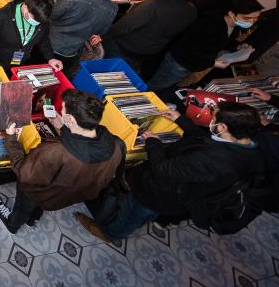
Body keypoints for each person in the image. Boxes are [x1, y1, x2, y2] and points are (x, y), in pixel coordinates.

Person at [77, 102, 264, 241]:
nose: (211, 120)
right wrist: (182, 120)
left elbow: (162, 170)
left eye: (214, 118)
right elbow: (205, 140)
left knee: (133, 214)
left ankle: (111, 233)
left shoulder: (213, 161)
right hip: (179, 193)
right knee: (139, 212)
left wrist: (154, 143)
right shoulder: (247, 147)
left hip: (159, 194)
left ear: (223, 127)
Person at [0, 89, 124, 233]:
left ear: (71, 119)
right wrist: (62, 127)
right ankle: (32, 219)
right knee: (39, 206)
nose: (60, 110)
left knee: (24, 206)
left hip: (37, 192)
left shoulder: (55, 151)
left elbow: (24, 172)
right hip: (63, 197)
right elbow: (85, 146)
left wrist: (11, 138)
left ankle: (12, 223)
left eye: (62, 109)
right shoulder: (117, 144)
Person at [147, 0, 263, 92]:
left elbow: (222, 42)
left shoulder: (236, 27)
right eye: (247, 18)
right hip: (179, 63)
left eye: (255, 18)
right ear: (232, 13)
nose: (251, 22)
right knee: (158, 86)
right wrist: (213, 63)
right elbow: (188, 49)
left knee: (166, 85)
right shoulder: (209, 24)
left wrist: (238, 46)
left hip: (192, 65)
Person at [98, 0, 199, 71]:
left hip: (124, 46)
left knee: (100, 68)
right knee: (120, 71)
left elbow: (127, 24)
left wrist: (104, 36)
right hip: (149, 51)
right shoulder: (192, 10)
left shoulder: (155, 4)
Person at [49, 0, 118, 77]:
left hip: (50, 45)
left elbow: (51, 16)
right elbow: (101, 30)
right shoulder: (112, 7)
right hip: (73, 51)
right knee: (60, 76)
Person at [0, 0, 62, 72]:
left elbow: (43, 39)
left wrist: (50, 58)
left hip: (15, 64)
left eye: (40, 21)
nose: (37, 23)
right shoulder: (0, 17)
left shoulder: (42, 18)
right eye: (35, 19)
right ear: (26, 7)